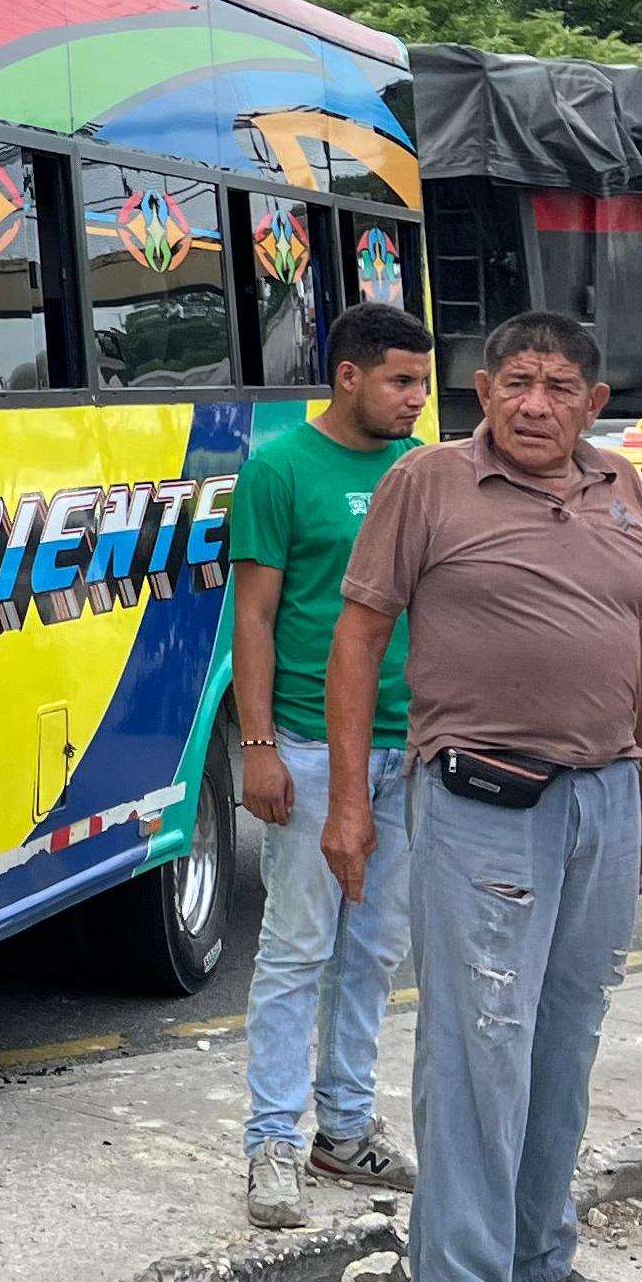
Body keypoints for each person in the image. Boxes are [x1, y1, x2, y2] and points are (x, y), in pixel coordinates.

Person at [328, 309, 642, 1282]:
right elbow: (360, 633)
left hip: (606, 794)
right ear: (482, 391)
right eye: (517, 382)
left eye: (561, 386)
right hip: (482, 797)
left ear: (595, 402)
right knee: (480, 1044)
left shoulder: (623, 488)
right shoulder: (427, 483)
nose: (537, 404)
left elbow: (640, 640)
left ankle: (538, 1262)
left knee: (566, 1039)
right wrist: (350, 801)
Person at [231, 301, 435, 1229]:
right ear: (347, 376)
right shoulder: (279, 469)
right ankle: (272, 1143)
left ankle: (345, 1131)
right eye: (401, 382)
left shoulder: (422, 470)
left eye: (423, 385)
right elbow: (257, 620)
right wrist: (260, 745)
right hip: (310, 748)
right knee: (297, 949)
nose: (414, 401)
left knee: (375, 950)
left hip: (410, 749)